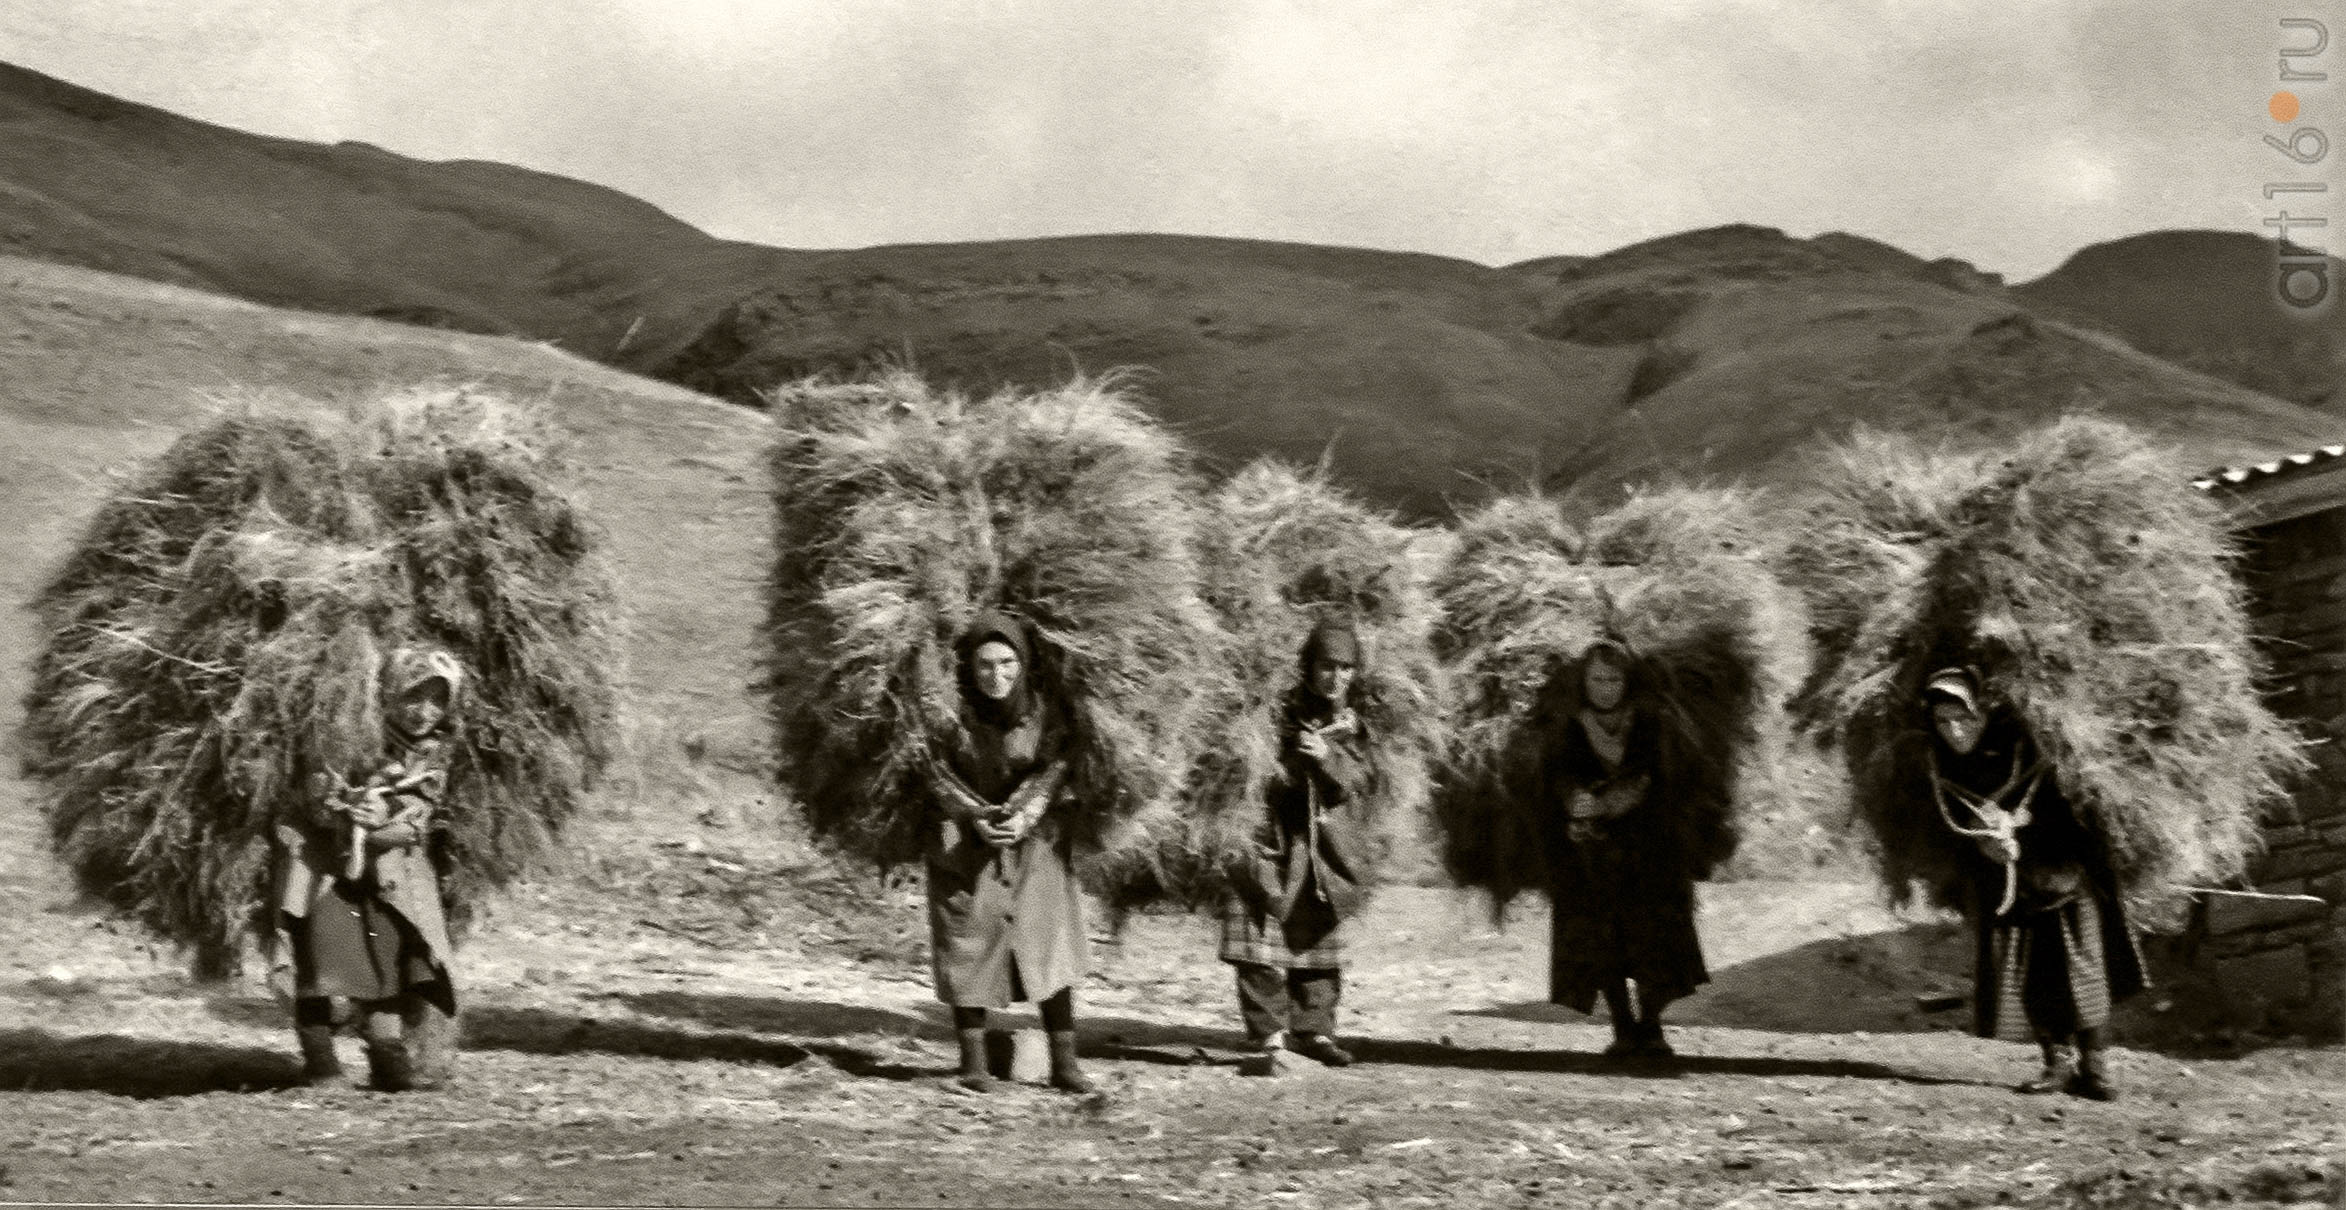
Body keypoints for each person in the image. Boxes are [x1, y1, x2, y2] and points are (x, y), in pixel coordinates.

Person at [1920, 666, 2145, 1101]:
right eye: (1943, 721)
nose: (1954, 730)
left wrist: (2025, 824)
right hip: (2004, 891)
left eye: (1963, 717)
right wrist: (1983, 844)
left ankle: (2096, 1066)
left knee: (2083, 970)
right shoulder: (1937, 766)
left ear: (1983, 712)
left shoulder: (2026, 746)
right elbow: (1940, 829)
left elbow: (2077, 805)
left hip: (2062, 875)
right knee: (2032, 978)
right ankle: (2056, 1063)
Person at [271, 644, 463, 1091]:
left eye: (437, 699)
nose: (423, 711)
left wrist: (389, 826)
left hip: (391, 880)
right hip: (328, 874)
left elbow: (421, 816)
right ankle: (320, 1062)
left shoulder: (435, 755)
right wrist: (344, 811)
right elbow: (314, 796)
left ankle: (388, 1060)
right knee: (320, 965)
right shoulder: (347, 737)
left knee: (389, 966)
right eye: (412, 696)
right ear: (388, 693)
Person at [926, 613, 1094, 1095]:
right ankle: (973, 1064)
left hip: (1035, 846)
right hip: (964, 845)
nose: (995, 677)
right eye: (984, 666)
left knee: (1048, 945)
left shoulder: (1045, 714)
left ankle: (1065, 1063)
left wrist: (1026, 813)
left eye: (1006, 664)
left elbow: (1057, 766)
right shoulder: (949, 716)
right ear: (968, 669)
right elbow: (931, 769)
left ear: (1022, 664)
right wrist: (972, 815)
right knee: (967, 942)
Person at [1221, 622, 1381, 1074]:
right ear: (1308, 666)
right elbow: (1249, 766)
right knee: (1257, 938)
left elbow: (1362, 781)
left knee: (1317, 939)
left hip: (1322, 843)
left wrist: (1326, 757)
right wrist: (1291, 754)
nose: (1337, 677)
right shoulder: (1276, 710)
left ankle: (1314, 1032)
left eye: (1346, 668)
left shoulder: (1352, 724)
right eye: (1327, 666)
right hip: (1269, 835)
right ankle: (1269, 1035)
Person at [1538, 636, 1708, 1061]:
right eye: (1597, 679)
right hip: (1592, 857)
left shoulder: (1650, 722)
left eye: (1614, 679)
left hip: (1649, 852)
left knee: (1652, 940)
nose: (1605, 688)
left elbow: (1659, 776)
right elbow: (1557, 775)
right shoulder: (1570, 725)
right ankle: (1621, 1025)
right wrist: (1573, 800)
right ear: (1585, 680)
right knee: (1602, 942)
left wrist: (1614, 800)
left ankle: (1650, 1024)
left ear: (1627, 681)